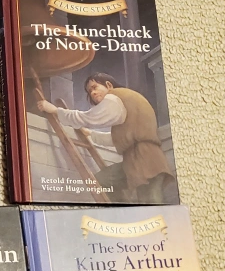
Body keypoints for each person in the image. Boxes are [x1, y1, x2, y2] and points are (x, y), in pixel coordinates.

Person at [37, 72, 178, 204]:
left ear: (109, 85)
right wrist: (91, 134)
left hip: (143, 159)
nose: (92, 93)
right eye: (89, 91)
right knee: (102, 181)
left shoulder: (114, 98)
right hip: (140, 158)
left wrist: (55, 110)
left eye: (94, 87)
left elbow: (88, 117)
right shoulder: (129, 99)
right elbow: (122, 137)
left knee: (150, 201)